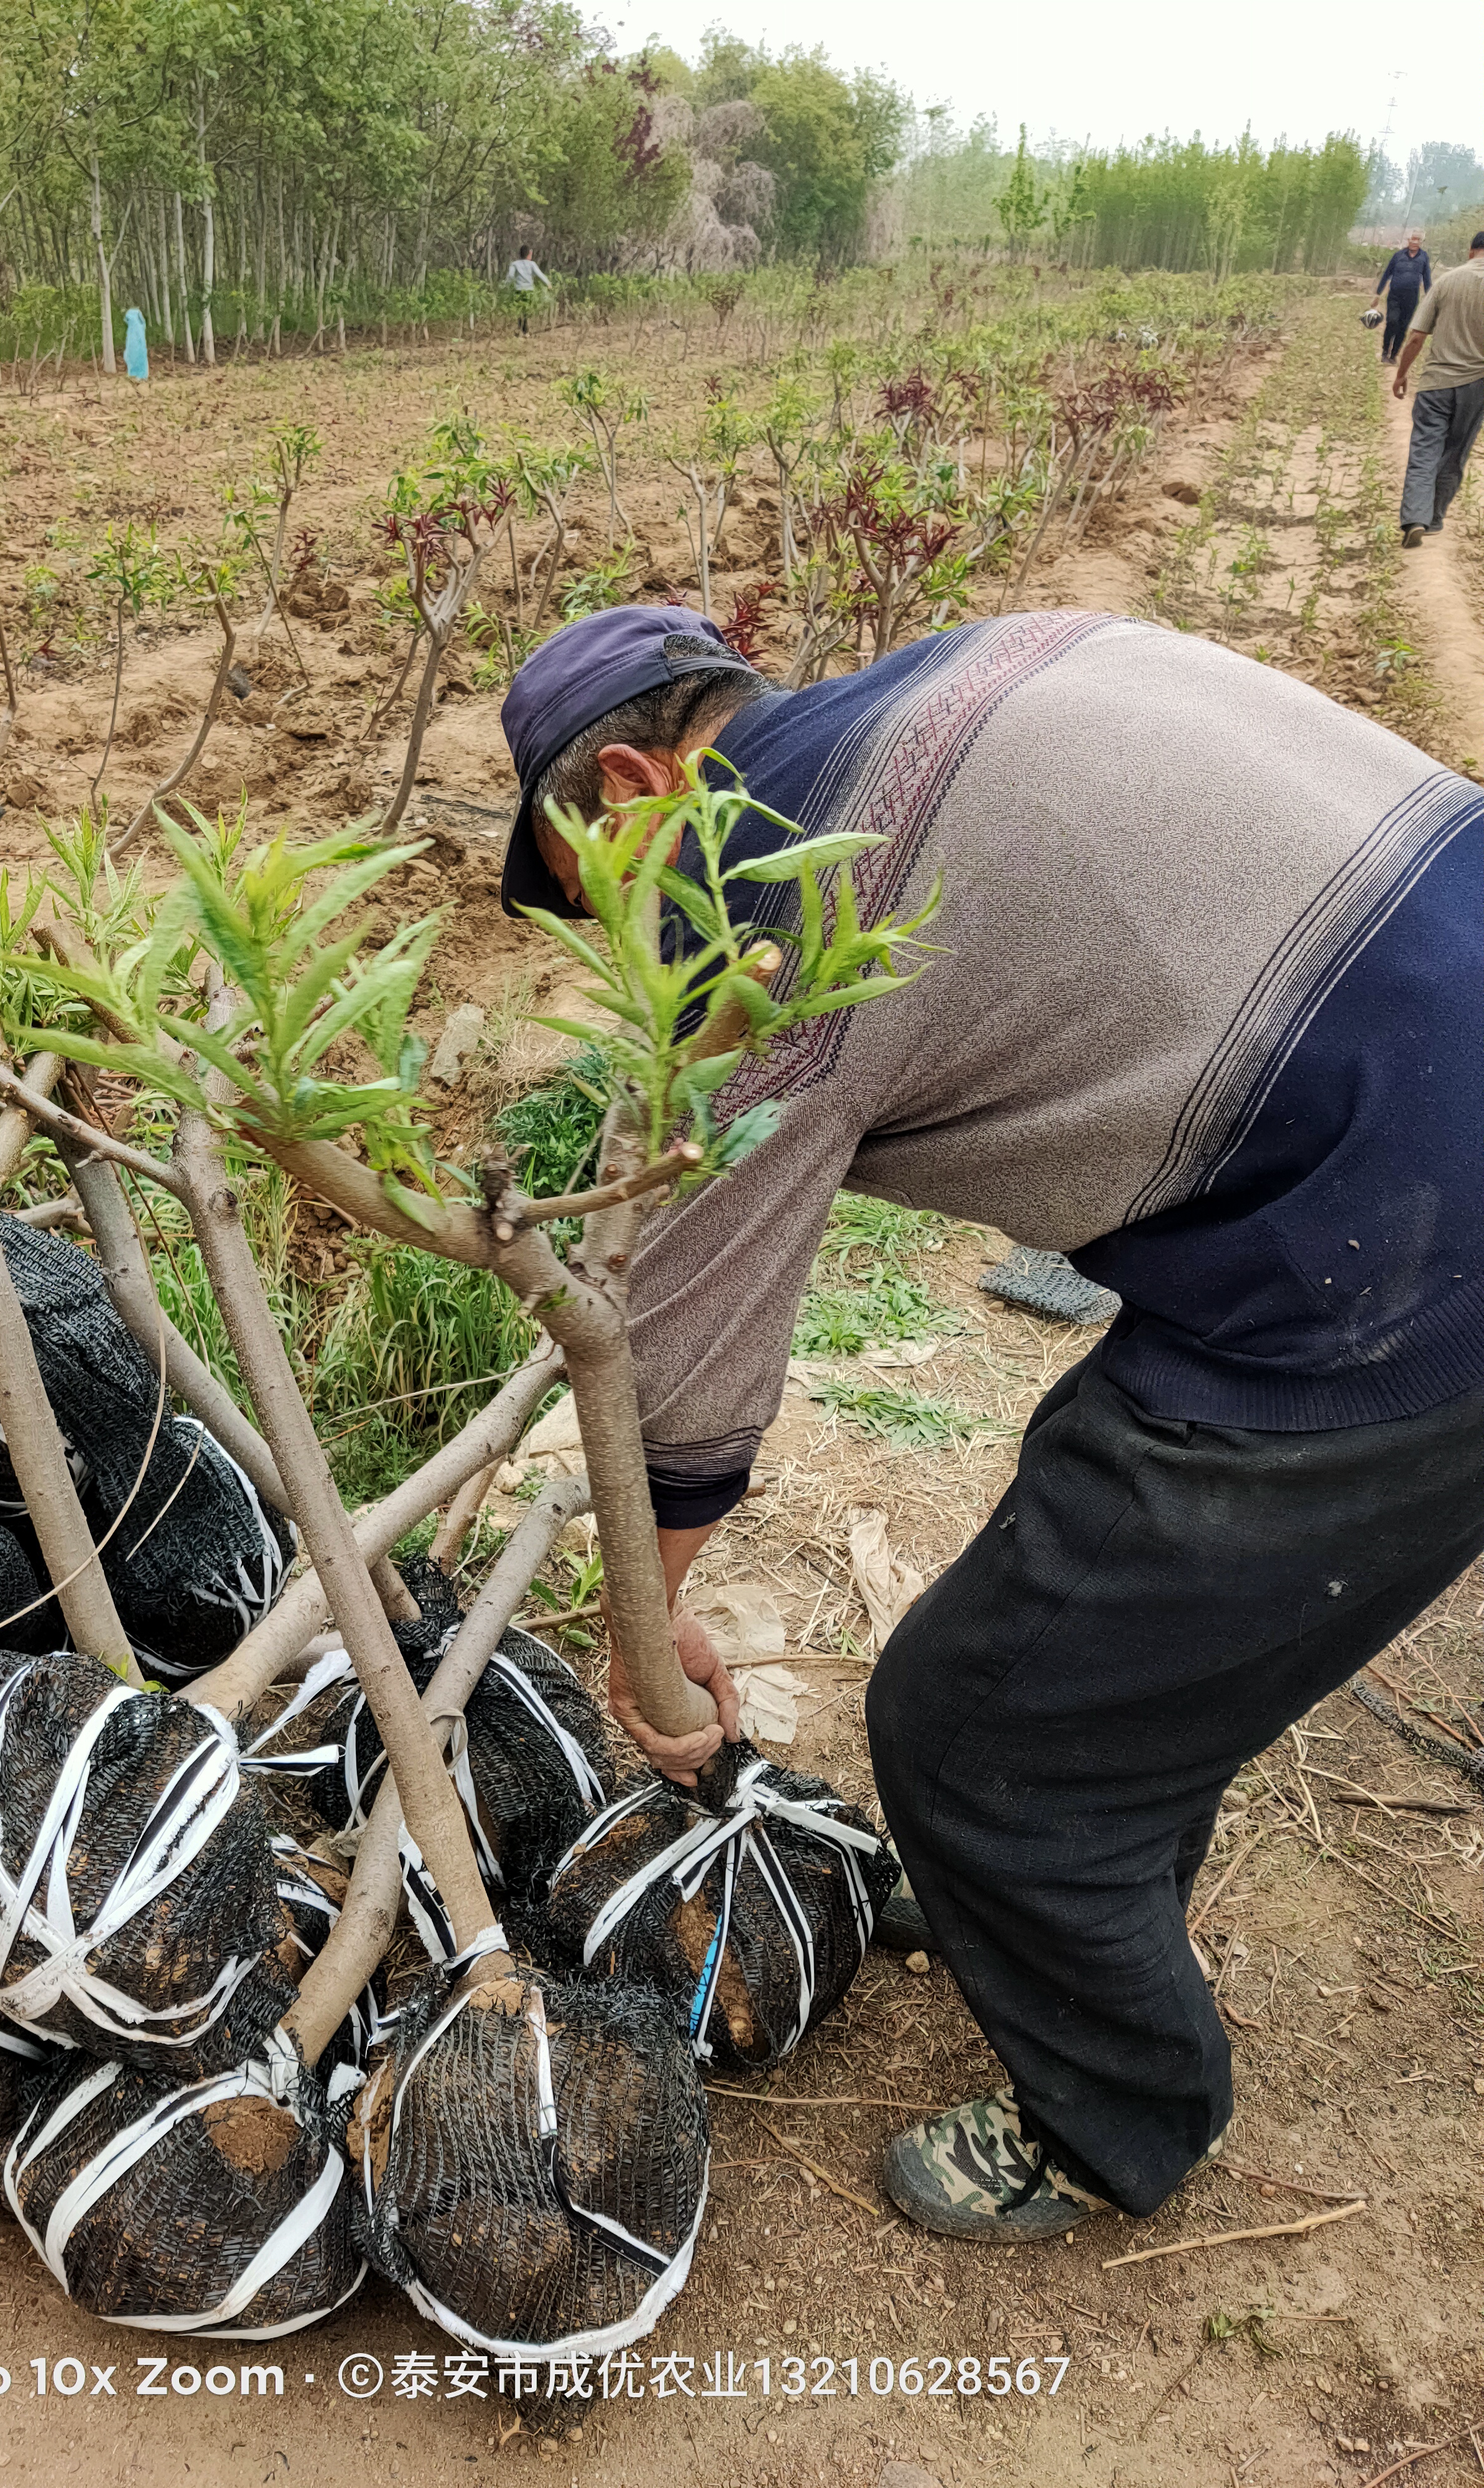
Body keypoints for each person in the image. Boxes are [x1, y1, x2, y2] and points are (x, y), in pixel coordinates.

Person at [497, 602, 1484, 2244]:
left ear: (631, 783)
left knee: (974, 1726)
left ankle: (1117, 2126)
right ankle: (1050, 1870)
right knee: (1100, 1602)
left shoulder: (771, 896)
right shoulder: (969, 665)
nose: (608, 929)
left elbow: (680, 1355)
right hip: (1396, 1125)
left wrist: (644, 1633)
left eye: (587, 878)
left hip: (1415, 1257)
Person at [1393, 230, 1484, 547]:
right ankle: (1433, 519)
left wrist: (1401, 373)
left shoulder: (1447, 281)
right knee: (1455, 452)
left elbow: (1417, 336)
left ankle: (1414, 519)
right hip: (1477, 386)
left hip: (1436, 383)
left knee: (1424, 450)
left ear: (1472, 250)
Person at [1373, 230, 1433, 363]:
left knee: (1403, 327)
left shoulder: (1424, 257)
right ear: (1408, 241)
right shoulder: (1398, 256)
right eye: (1412, 239)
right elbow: (1386, 274)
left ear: (1421, 242)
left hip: (1411, 298)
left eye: (1417, 239)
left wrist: (1431, 299)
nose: (1414, 241)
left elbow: (1427, 279)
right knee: (1392, 322)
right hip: (1395, 296)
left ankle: (1394, 355)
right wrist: (1378, 294)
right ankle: (1385, 352)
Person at [504, 251, 552, 335]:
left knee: (519, 311)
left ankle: (522, 330)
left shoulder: (515, 264)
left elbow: (510, 276)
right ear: (529, 254)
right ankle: (525, 332)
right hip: (529, 291)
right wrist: (548, 284)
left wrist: (506, 286)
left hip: (518, 290)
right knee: (525, 311)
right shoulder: (532, 264)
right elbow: (540, 275)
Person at [121, 305, 149, 384]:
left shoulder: (138, 327)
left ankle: (141, 376)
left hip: (139, 349)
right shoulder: (132, 328)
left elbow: (141, 341)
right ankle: (134, 375)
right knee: (131, 359)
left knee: (138, 360)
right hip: (132, 349)